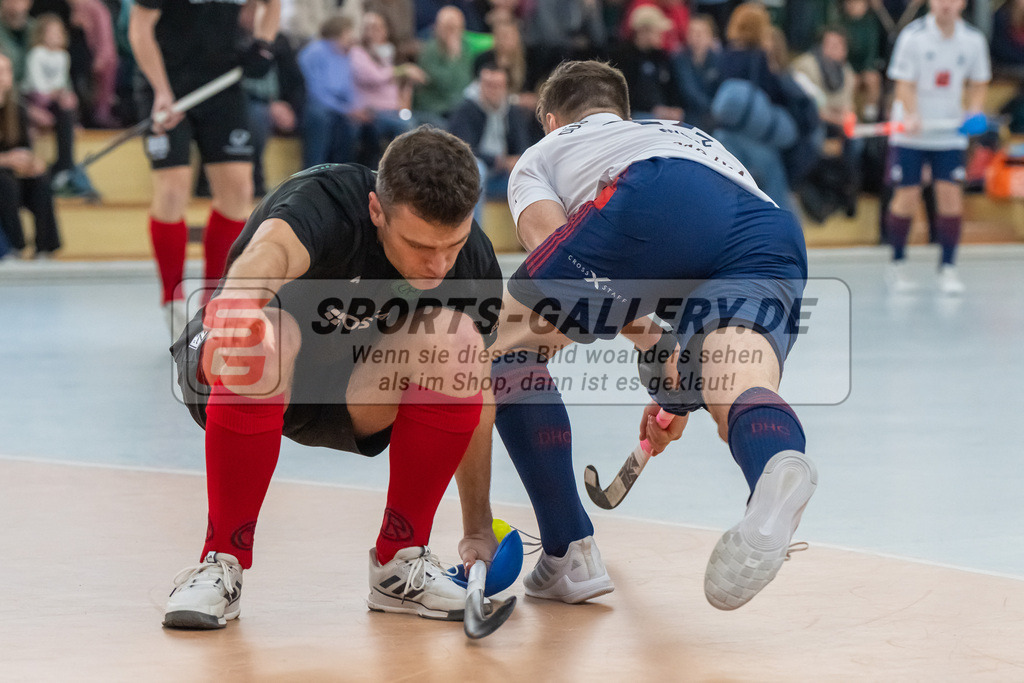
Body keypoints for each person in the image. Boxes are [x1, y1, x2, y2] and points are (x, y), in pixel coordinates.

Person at [489, 60, 816, 610]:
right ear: (623, 114)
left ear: (550, 118)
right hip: (767, 230)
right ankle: (775, 466)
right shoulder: (686, 135)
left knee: (494, 351)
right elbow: (695, 244)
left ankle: (569, 548)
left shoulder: (542, 155)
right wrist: (675, 385)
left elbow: (557, 254)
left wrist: (648, 339)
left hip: (653, 191)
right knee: (736, 383)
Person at [164, 126, 504, 629]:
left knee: (459, 344)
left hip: (346, 391)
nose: (437, 265)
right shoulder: (326, 200)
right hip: (237, 363)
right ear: (376, 211)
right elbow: (271, 252)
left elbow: (476, 389)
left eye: (450, 245)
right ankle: (220, 565)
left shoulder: (471, 263)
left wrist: (477, 526)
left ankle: (399, 565)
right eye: (418, 245)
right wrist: (238, 304)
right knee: (268, 334)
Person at [128, 0, 282, 338]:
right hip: (166, 89)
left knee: (238, 191)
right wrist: (161, 90)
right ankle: (172, 298)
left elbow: (272, 6)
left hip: (222, 87)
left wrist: (262, 43)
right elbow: (139, 29)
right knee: (172, 190)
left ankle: (215, 300)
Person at [883, 0, 989, 294]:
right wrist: (913, 113)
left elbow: (979, 82)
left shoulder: (973, 40)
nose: (946, 4)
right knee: (907, 195)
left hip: (949, 132)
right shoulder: (912, 37)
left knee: (950, 196)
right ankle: (897, 263)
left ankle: (948, 268)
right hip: (911, 133)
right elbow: (903, 83)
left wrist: (974, 111)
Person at [447, 61, 534, 224]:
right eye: (488, 85)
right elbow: (462, 150)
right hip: (475, 175)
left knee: (533, 173)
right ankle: (474, 234)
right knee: (477, 169)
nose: (492, 91)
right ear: (479, 85)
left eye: (498, 86)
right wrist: (498, 160)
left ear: (506, 87)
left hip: (502, 175)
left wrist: (517, 160)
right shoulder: (466, 109)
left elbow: (523, 145)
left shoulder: (512, 111)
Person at [0, 51, 61, 258]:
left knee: (40, 181)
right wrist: (7, 160)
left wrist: (32, 163)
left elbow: (25, 148)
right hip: (4, 179)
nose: (2, 77)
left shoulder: (17, 109)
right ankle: (15, 247)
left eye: (6, 71)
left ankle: (46, 248)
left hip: (13, 176)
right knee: (5, 183)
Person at [350, 10, 426, 168]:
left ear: (386, 30)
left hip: (396, 111)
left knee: (430, 125)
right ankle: (398, 170)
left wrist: (405, 105)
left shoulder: (394, 54)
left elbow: (405, 86)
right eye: (369, 27)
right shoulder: (358, 53)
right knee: (406, 127)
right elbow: (371, 76)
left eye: (377, 27)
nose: (373, 31)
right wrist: (402, 70)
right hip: (372, 112)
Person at [297, 15, 367, 168]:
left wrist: (353, 108)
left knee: (353, 126)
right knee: (320, 116)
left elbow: (348, 88)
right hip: (314, 103)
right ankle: (313, 170)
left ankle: (341, 172)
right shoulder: (314, 52)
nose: (353, 37)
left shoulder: (346, 55)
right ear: (338, 33)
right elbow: (315, 91)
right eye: (349, 32)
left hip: (339, 106)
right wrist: (345, 109)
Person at [612, 5, 684, 121]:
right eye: (658, 31)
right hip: (633, 116)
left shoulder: (662, 58)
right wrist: (653, 109)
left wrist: (675, 108)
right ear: (643, 31)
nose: (662, 35)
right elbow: (623, 93)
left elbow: (672, 89)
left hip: (664, 116)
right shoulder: (623, 57)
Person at [412, 5, 475, 128]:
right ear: (438, 28)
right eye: (447, 28)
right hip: (434, 108)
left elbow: (465, 81)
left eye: (455, 28)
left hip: (457, 108)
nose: (451, 33)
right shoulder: (430, 50)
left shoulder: (465, 49)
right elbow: (444, 84)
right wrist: (452, 58)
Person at [674, 13, 720, 132]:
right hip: (690, 113)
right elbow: (689, 92)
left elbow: (722, 88)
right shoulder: (680, 59)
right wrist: (714, 109)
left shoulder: (719, 59)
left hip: (715, 113)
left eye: (700, 33)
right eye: (692, 32)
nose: (696, 37)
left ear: (710, 36)